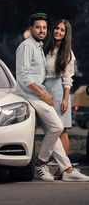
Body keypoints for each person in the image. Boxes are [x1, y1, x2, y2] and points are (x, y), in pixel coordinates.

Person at [15, 12, 89, 181]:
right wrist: (42, 93)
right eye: (38, 27)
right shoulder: (28, 46)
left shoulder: (40, 47)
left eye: (44, 27)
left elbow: (66, 78)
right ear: (31, 28)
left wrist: (60, 96)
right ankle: (41, 164)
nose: (42, 30)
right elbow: (24, 76)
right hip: (32, 95)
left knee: (54, 129)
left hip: (42, 93)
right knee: (56, 127)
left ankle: (67, 170)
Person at [44, 20, 75, 156]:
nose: (58, 31)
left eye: (62, 30)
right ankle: (51, 161)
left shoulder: (68, 53)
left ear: (66, 34)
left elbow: (68, 79)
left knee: (61, 130)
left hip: (59, 90)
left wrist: (66, 99)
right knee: (49, 129)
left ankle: (64, 168)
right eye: (57, 28)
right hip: (43, 89)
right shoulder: (45, 49)